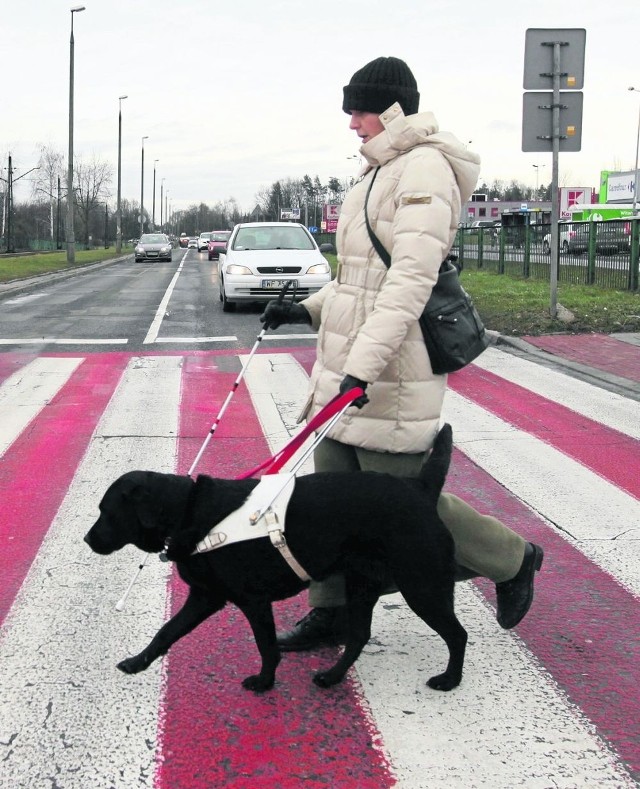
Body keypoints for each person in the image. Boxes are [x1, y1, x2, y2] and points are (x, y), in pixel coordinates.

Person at [260, 56, 543, 651]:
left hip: (390, 369)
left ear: (390, 109)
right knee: (328, 503)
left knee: (406, 504)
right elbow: (359, 279)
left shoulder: (425, 170)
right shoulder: (374, 174)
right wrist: (305, 308)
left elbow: (409, 283)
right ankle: (332, 610)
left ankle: (513, 559)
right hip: (348, 366)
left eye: (358, 111)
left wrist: (360, 367)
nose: (352, 124)